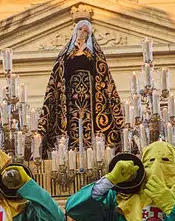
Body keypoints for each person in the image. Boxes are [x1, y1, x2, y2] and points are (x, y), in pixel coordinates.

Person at [36, 18, 126, 151]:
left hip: (93, 105)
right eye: (80, 29)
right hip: (69, 104)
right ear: (75, 32)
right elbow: (56, 80)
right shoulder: (64, 55)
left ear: (89, 35)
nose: (82, 33)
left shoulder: (96, 56)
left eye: (86, 31)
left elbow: (105, 79)